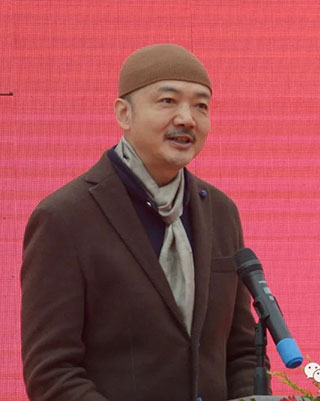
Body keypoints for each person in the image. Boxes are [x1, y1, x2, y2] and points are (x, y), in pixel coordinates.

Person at [20, 43, 269, 401]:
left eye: (201, 106)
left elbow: (242, 352)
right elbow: (52, 373)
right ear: (124, 114)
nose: (187, 119)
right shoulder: (66, 217)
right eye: (168, 101)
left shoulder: (220, 211)